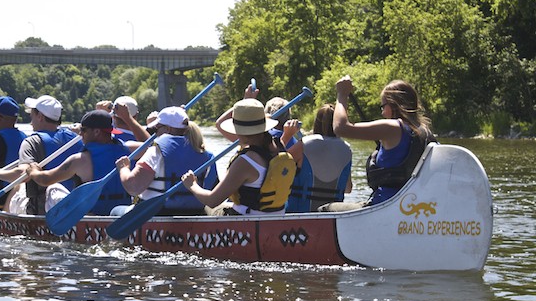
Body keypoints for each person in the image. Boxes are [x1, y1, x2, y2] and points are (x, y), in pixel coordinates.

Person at [319, 76, 436, 211]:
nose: (381, 112)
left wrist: (342, 95)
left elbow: (341, 128)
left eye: (383, 106)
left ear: (394, 105)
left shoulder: (393, 127)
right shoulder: (426, 134)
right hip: (411, 208)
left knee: (325, 210)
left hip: (384, 206)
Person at [182, 98, 296, 216]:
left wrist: (192, 185)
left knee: (206, 209)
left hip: (247, 223)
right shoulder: (279, 146)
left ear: (239, 130)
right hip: (277, 219)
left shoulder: (245, 162)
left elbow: (212, 200)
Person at [26, 110, 135, 215]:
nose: (80, 133)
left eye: (83, 130)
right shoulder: (130, 149)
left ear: (97, 132)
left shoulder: (80, 160)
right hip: (121, 217)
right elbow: (151, 143)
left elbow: (45, 179)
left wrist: (33, 171)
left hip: (91, 219)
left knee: (52, 189)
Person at [114, 106, 218, 216]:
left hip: (157, 213)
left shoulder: (156, 150)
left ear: (167, 129)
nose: (154, 134)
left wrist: (124, 168)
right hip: (194, 213)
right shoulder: (206, 154)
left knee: (115, 211)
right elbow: (213, 190)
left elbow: (133, 187)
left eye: (156, 129)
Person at [7, 95, 82, 215]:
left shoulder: (31, 142)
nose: (31, 123)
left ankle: (5, 218)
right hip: (76, 207)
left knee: (18, 186)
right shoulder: (77, 139)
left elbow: (23, 174)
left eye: (32, 116)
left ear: (40, 116)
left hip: (42, 210)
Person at [286, 104, 353, 212]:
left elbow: (276, 166)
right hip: (331, 216)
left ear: (316, 123)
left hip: (299, 214)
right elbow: (347, 188)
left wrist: (286, 137)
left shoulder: (303, 145)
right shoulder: (346, 149)